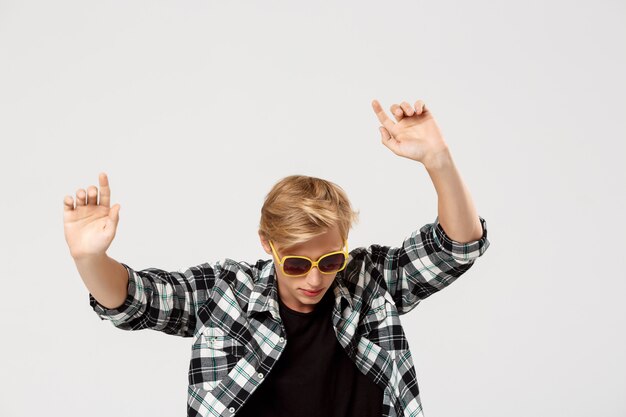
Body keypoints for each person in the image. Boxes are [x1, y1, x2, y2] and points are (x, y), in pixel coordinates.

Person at [63, 99, 490, 417]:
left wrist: (438, 160)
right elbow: (133, 300)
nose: (315, 279)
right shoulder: (226, 293)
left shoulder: (370, 281)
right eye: (297, 264)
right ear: (267, 244)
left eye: (330, 261)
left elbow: (456, 246)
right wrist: (89, 259)